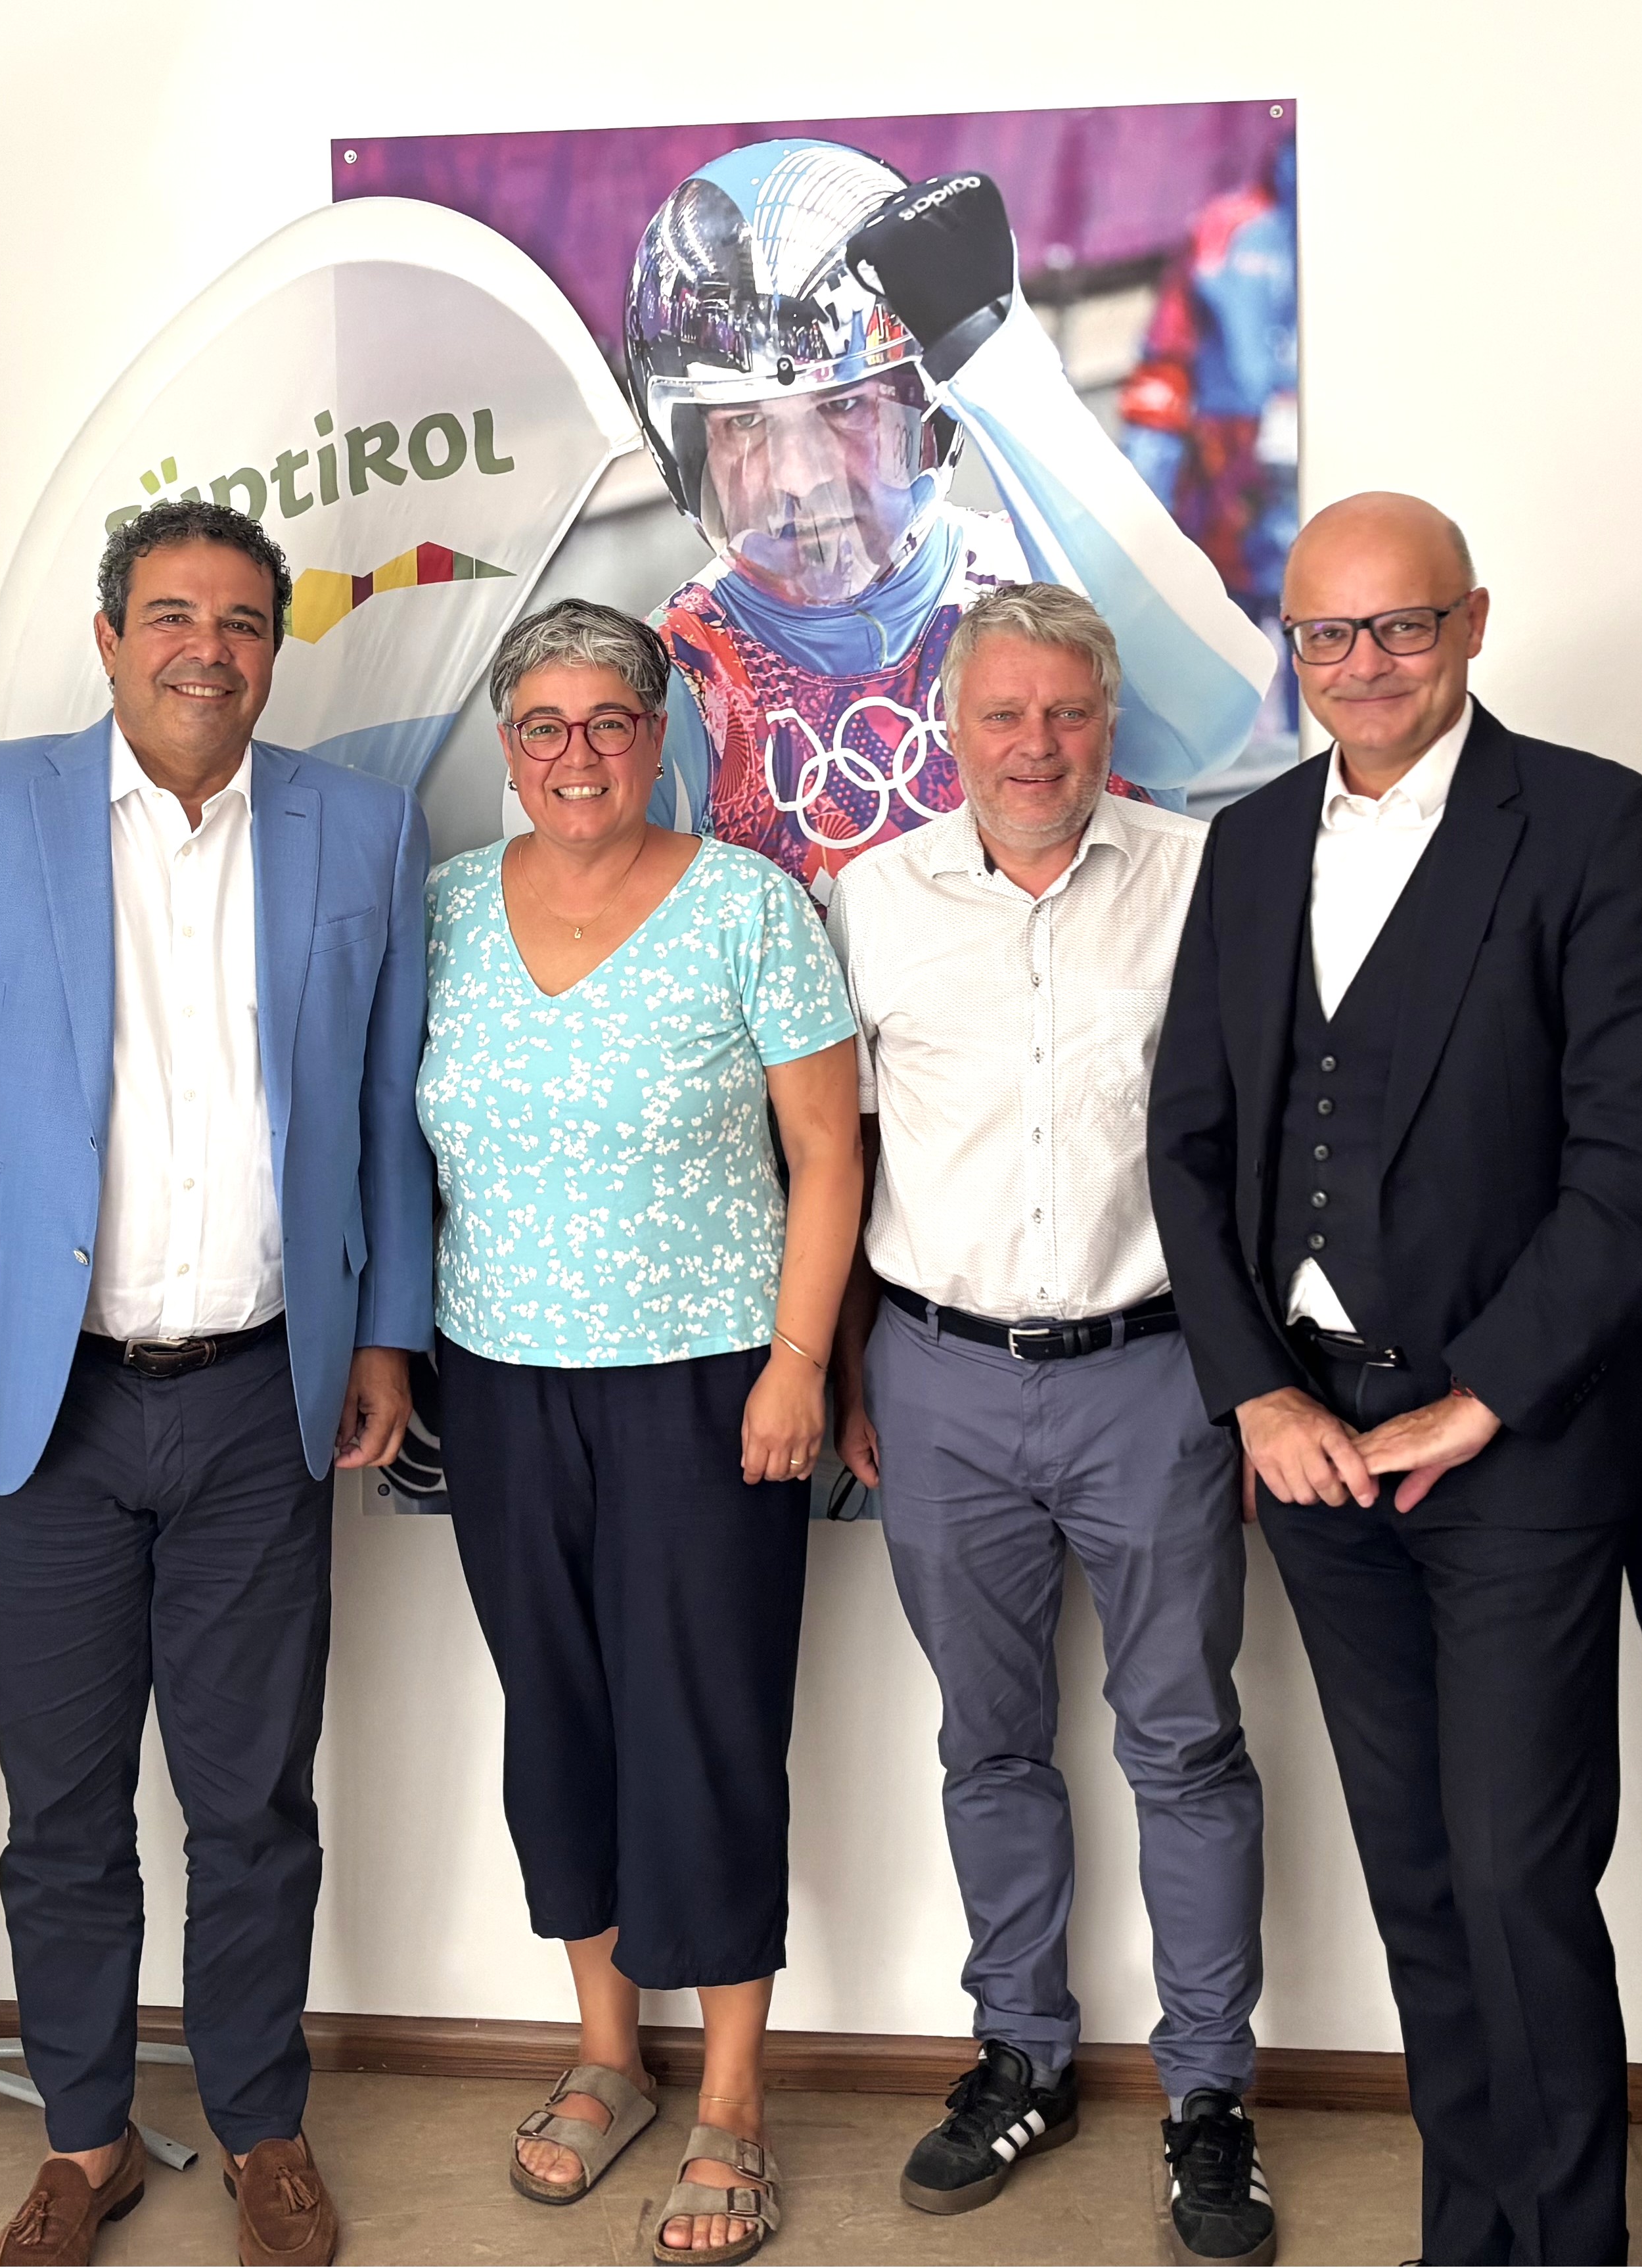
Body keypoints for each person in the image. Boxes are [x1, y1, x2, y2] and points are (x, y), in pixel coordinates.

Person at [0, 496, 429, 2268]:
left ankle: (262, 2125)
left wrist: (386, 1331)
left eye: (241, 620)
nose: (206, 649)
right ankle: (83, 2136)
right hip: (47, 1400)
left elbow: (385, 1114)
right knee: (67, 1804)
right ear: (109, 637)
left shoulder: (362, 827)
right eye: (171, 614)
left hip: (265, 1392)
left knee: (253, 1798)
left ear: (275, 646)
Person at [1149, 490, 1642, 2265]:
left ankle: (1565, 2249)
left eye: (1403, 625)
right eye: (1330, 633)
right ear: (1293, 647)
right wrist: (1260, 1396)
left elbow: (1638, 1174)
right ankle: (1469, 2237)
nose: (1367, 662)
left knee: (1519, 1879)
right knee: (1417, 1875)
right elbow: (1188, 1146)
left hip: (1518, 1448)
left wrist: (1481, 1400)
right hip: (1316, 1450)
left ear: (1471, 623)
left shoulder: (1597, 826)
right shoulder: (1250, 844)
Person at [826, 583, 1276, 2265]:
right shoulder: (873, 898)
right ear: (951, 728)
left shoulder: (1203, 880)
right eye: (1004, 715)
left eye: (1068, 714)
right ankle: (1021, 2052)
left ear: (1109, 723)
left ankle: (1209, 2094)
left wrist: (1257, 1387)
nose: (1037, 746)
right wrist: (851, 1367)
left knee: (1186, 1741)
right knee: (990, 1741)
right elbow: (839, 1151)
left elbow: (1256, 1143)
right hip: (938, 1380)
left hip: (1155, 1374)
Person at [420, 597, 861, 2267]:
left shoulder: (749, 907)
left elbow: (829, 1153)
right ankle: (609, 2051)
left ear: (658, 734)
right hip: (500, 1381)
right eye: (542, 725)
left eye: (610, 720)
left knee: (708, 1728)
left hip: (708, 1384)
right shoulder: (446, 910)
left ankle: (733, 2096)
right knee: (558, 1719)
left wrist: (800, 1363)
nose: (578, 754)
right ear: (506, 745)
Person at [618, 139, 1276, 898]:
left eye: (844, 406)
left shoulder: (1051, 587)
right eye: (746, 424)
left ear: (927, 409)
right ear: (686, 447)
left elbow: (1205, 724)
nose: (802, 477)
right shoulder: (666, 679)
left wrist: (995, 353)